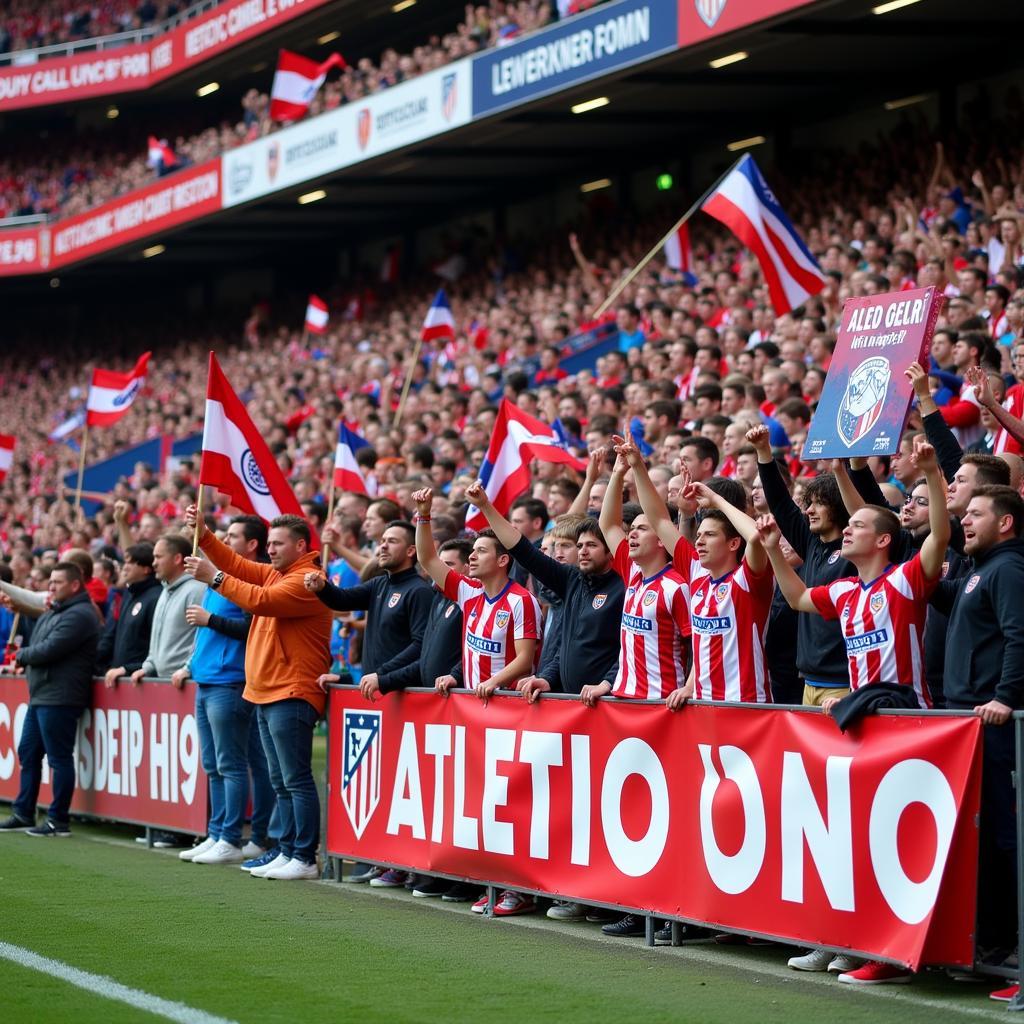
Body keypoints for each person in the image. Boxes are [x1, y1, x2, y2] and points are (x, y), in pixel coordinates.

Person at [465, 482, 624, 922]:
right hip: (567, 711)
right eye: (581, 544)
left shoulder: (624, 588)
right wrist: (546, 677)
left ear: (612, 549)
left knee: (605, 809)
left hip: (607, 713)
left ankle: (605, 895)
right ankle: (573, 890)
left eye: (593, 544)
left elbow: (625, 650)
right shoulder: (573, 581)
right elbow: (522, 550)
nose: (584, 551)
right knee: (570, 806)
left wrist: (609, 682)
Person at [413, 485, 541, 917]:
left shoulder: (521, 600)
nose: (473, 557)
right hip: (473, 713)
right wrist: (425, 515)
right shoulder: (469, 594)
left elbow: (526, 658)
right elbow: (429, 560)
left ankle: (518, 887)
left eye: (482, 551)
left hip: (508, 712)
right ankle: (492, 881)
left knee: (510, 804)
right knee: (482, 803)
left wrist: (492, 681)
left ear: (503, 559)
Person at [184, 508, 331, 882]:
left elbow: (259, 601)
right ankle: (286, 849)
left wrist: (214, 578)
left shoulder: (307, 579)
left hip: (292, 689)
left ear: (301, 545)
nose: (270, 551)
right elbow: (236, 564)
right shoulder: (278, 572)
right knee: (282, 779)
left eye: (278, 544)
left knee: (295, 779)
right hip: (266, 689)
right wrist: (203, 535)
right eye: (268, 544)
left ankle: (304, 855)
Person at [758, 440, 950, 714]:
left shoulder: (905, 579)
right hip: (859, 708)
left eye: (857, 526)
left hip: (907, 715)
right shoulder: (843, 591)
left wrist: (932, 473)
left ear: (883, 540)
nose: (847, 531)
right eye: (848, 525)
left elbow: (940, 536)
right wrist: (773, 550)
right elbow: (798, 597)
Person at [303, 518, 433, 887]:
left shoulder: (418, 591)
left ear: (411, 551)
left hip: (406, 697)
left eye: (392, 541)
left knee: (406, 786)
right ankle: (386, 858)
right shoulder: (378, 584)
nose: (382, 546)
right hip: (379, 695)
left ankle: (405, 863)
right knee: (386, 783)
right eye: (381, 540)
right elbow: (343, 601)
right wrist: (321, 586)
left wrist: (381, 674)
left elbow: (419, 646)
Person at [931, 485, 1024, 999]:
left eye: (976, 514)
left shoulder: (1008, 569)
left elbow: (1019, 634)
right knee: (983, 837)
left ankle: (1012, 950)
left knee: (1005, 838)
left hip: (995, 726)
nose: (964, 521)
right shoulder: (979, 570)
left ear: (1005, 523)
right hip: (971, 724)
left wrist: (1006, 697)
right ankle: (990, 947)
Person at [623, 438, 774, 706]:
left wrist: (716, 500)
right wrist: (637, 465)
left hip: (747, 706)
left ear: (733, 543)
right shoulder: (697, 574)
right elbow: (658, 519)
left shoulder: (748, 579)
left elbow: (756, 537)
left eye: (710, 535)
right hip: (702, 707)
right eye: (699, 535)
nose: (699, 541)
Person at [174, 515, 267, 867]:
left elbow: (252, 626)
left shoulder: (246, 578)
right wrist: (191, 665)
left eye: (233, 535)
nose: (226, 540)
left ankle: (230, 836)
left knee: (231, 763)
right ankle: (216, 833)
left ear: (251, 544)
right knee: (213, 764)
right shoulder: (217, 579)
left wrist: (210, 620)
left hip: (231, 680)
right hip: (207, 678)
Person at [0, 562, 100, 836]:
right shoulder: (55, 610)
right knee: (29, 752)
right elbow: (39, 644)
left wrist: (20, 656)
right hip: (42, 694)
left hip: (61, 695)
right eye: (51, 582)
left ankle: (58, 819)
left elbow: (49, 649)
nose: (51, 587)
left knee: (58, 759)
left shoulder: (80, 614)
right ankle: (23, 812)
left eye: (57, 582)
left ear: (75, 585)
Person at [95, 543, 160, 686]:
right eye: (125, 562)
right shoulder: (128, 595)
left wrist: (131, 668)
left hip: (142, 681)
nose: (125, 566)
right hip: (120, 677)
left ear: (146, 569)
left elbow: (155, 646)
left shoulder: (156, 598)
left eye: (131, 563)